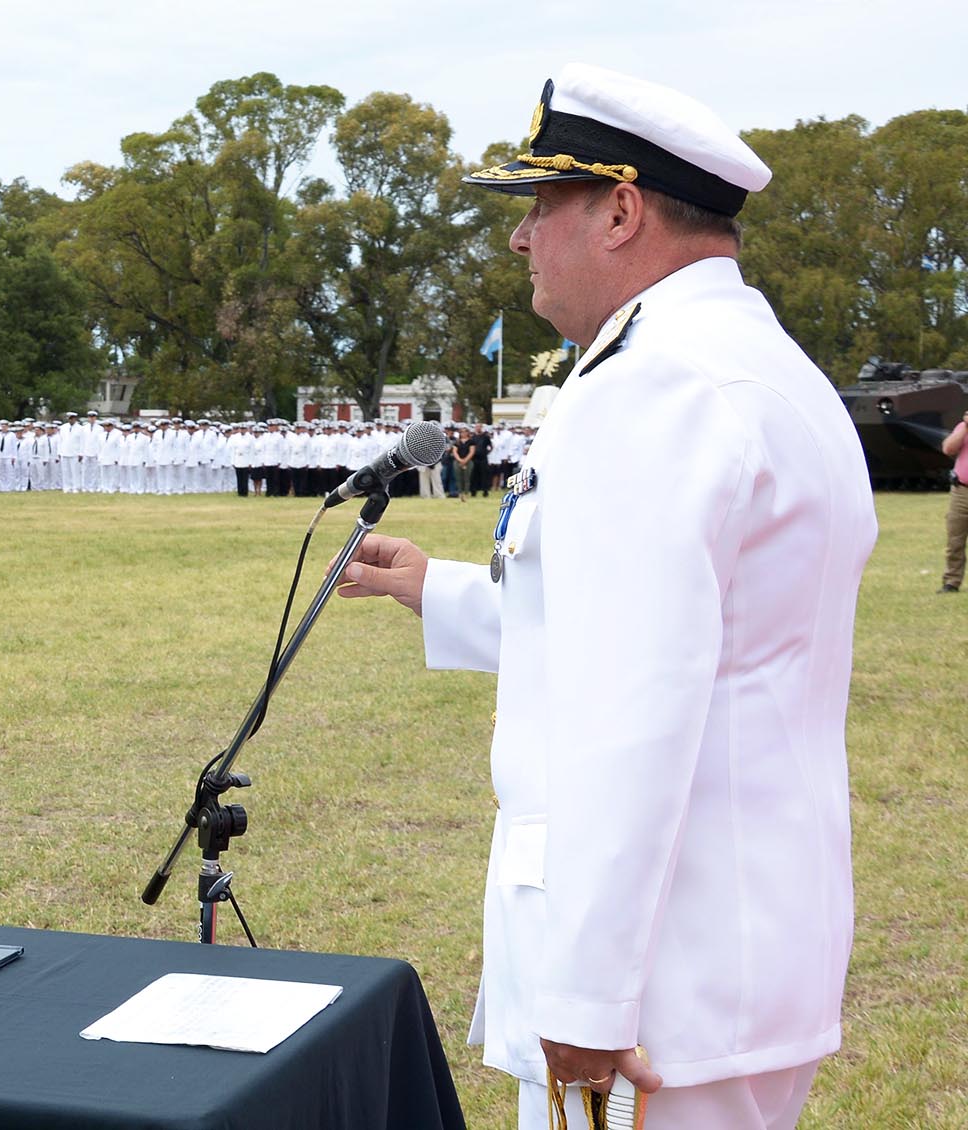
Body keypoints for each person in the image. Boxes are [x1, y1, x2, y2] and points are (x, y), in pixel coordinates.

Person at [336, 65, 874, 1130]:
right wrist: (437, 589)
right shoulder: (758, 365)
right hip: (740, 949)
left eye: (541, 207)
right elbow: (673, 634)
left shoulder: (651, 386)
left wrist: (582, 999)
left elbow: (637, 708)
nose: (519, 238)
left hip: (654, 993)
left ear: (622, 210)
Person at [940, 409, 968, 592]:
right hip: (962, 491)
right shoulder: (962, 428)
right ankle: (951, 581)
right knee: (955, 539)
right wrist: (965, 426)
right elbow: (948, 448)